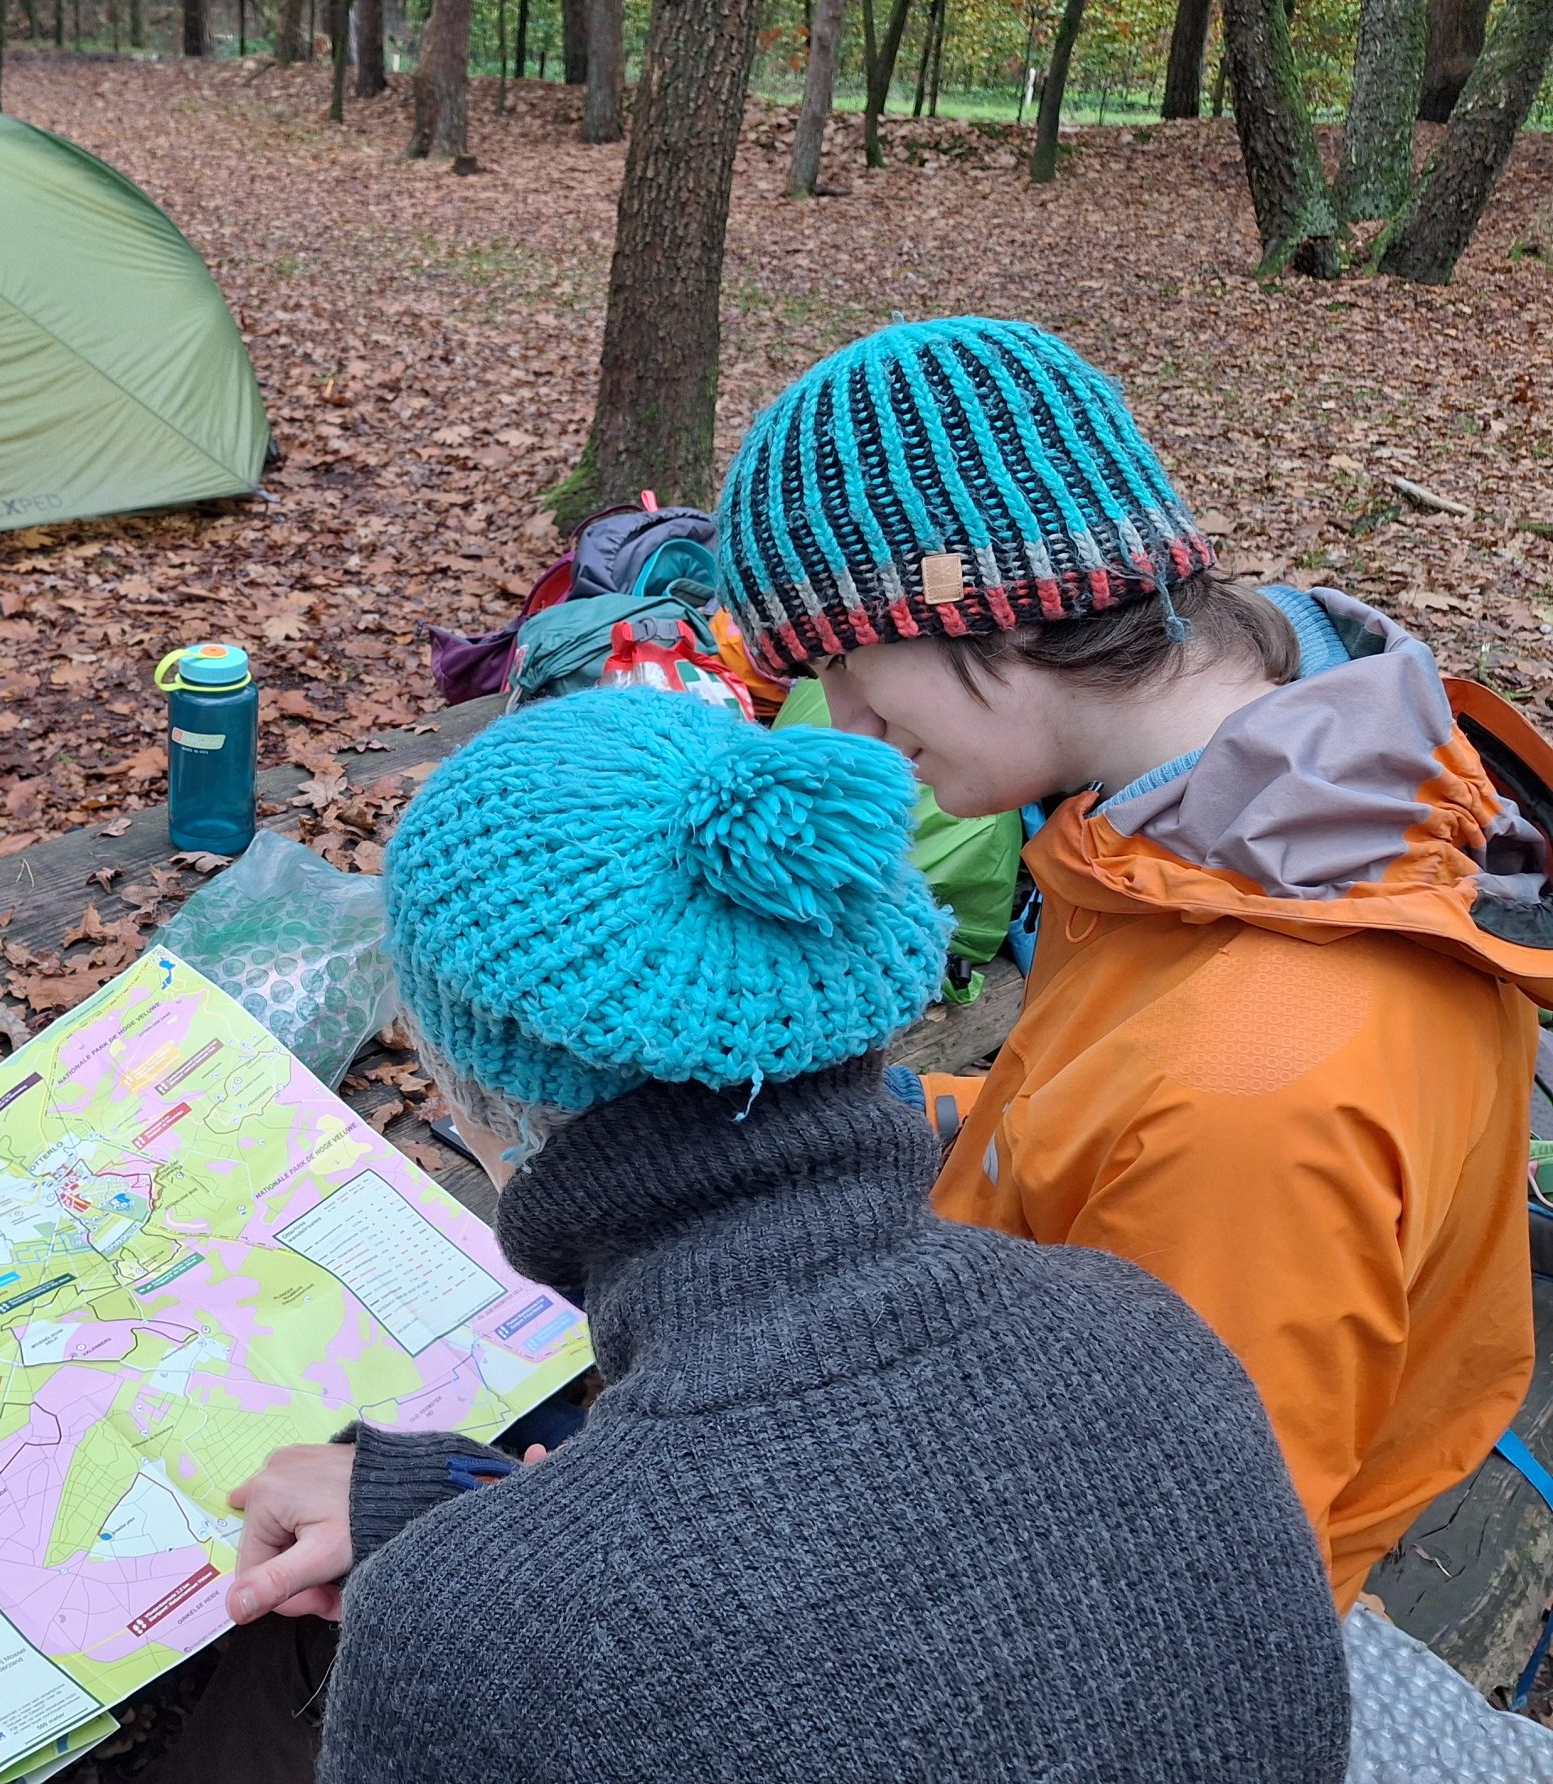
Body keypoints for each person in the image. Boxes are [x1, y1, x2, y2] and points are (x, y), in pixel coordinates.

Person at [230, 687, 1350, 1782]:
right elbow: (883, 1591)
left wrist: (465, 1587)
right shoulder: (1140, 1328)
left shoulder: (473, 1640)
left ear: (475, 1077)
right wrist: (463, 1530)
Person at [708, 315, 1553, 1755]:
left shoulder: (1260, 1084)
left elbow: (1166, 1604)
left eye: (846, 660)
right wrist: (879, 1125)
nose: (841, 723)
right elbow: (1095, 1105)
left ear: (990, 603)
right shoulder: (1258, 805)